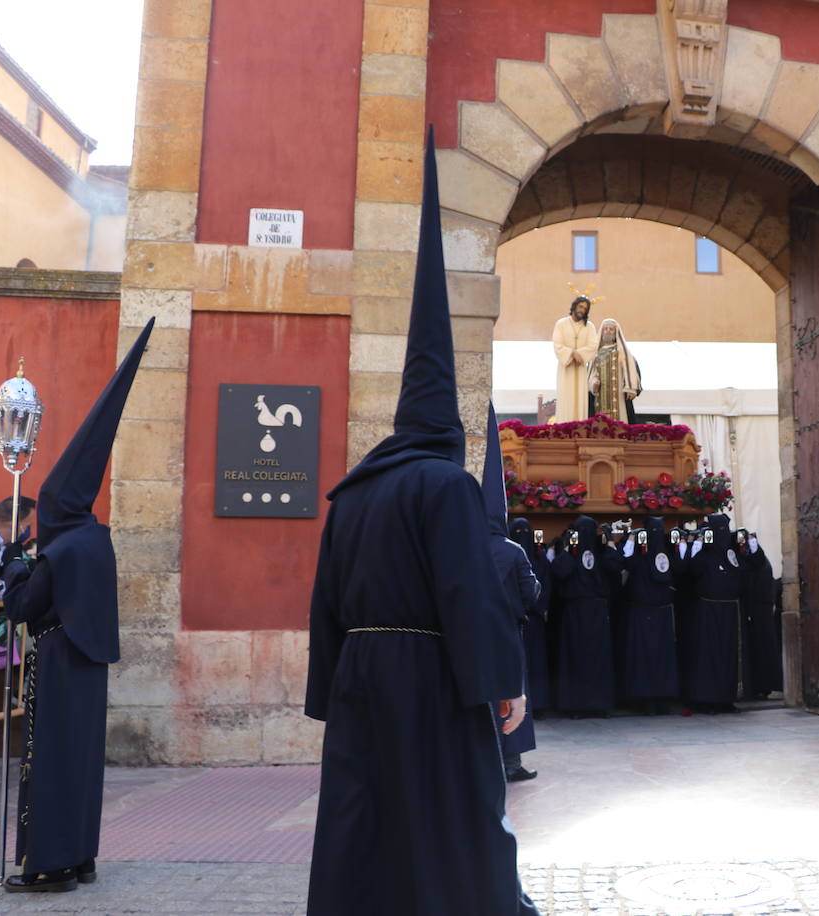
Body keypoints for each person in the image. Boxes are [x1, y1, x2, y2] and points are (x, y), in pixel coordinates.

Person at [305, 138, 538, 915]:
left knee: (365, 822)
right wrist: (503, 686)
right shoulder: (444, 485)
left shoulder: (354, 492)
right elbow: (469, 592)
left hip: (363, 682)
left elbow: (326, 604)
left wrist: (331, 686)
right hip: (432, 686)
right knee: (451, 820)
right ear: (450, 431)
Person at [0, 319, 155, 892]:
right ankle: (81, 856)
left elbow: (25, 606)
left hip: (60, 663)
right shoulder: (97, 539)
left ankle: (48, 865)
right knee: (82, 766)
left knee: (52, 767)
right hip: (87, 671)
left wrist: (15, 566)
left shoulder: (62, 549)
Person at [482, 405, 541, 783]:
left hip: (470, 632)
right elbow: (532, 592)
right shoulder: (512, 550)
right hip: (507, 630)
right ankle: (511, 762)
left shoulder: (461, 548)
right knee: (512, 694)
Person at [551, 516, 620, 716]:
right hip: (575, 612)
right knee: (575, 658)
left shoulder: (600, 552)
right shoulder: (571, 551)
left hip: (596, 611)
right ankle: (576, 705)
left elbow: (615, 567)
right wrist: (569, 550)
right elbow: (559, 572)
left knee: (597, 659)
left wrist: (609, 543)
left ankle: (599, 704)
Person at [679, 514, 747, 713]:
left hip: (730, 611)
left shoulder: (732, 554)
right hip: (709, 612)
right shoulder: (704, 556)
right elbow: (692, 573)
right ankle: (708, 699)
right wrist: (698, 547)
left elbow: (744, 572)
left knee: (729, 656)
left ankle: (727, 697)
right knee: (709, 655)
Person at [618, 517, 679, 713]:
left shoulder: (640, 556)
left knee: (644, 657)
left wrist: (630, 541)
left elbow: (624, 562)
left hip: (642, 613)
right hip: (659, 614)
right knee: (660, 657)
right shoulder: (667, 553)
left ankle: (645, 700)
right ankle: (660, 698)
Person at [509, 518, 552, 716]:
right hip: (525, 619)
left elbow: (546, 588)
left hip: (523, 620)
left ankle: (538, 703)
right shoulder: (525, 556)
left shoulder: (536, 558)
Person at [739, 530, 783, 699]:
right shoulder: (760, 562)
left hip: (758, 614)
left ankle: (761, 687)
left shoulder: (759, 563)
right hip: (760, 614)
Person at [552, 296, 598, 422]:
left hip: (580, 368)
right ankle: (564, 427)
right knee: (565, 398)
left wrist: (580, 355)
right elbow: (557, 345)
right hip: (565, 369)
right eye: (580, 306)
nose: (582, 310)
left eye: (585, 308)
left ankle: (580, 429)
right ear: (574, 306)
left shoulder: (590, 327)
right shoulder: (561, 324)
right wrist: (572, 353)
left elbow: (593, 346)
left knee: (580, 399)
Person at [586, 318, 641, 423]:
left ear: (616, 332)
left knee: (620, 421)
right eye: (605, 329)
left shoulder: (622, 351)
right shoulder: (596, 353)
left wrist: (631, 388)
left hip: (618, 395)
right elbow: (591, 374)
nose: (608, 331)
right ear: (601, 332)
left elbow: (629, 369)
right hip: (600, 397)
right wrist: (593, 384)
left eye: (611, 329)